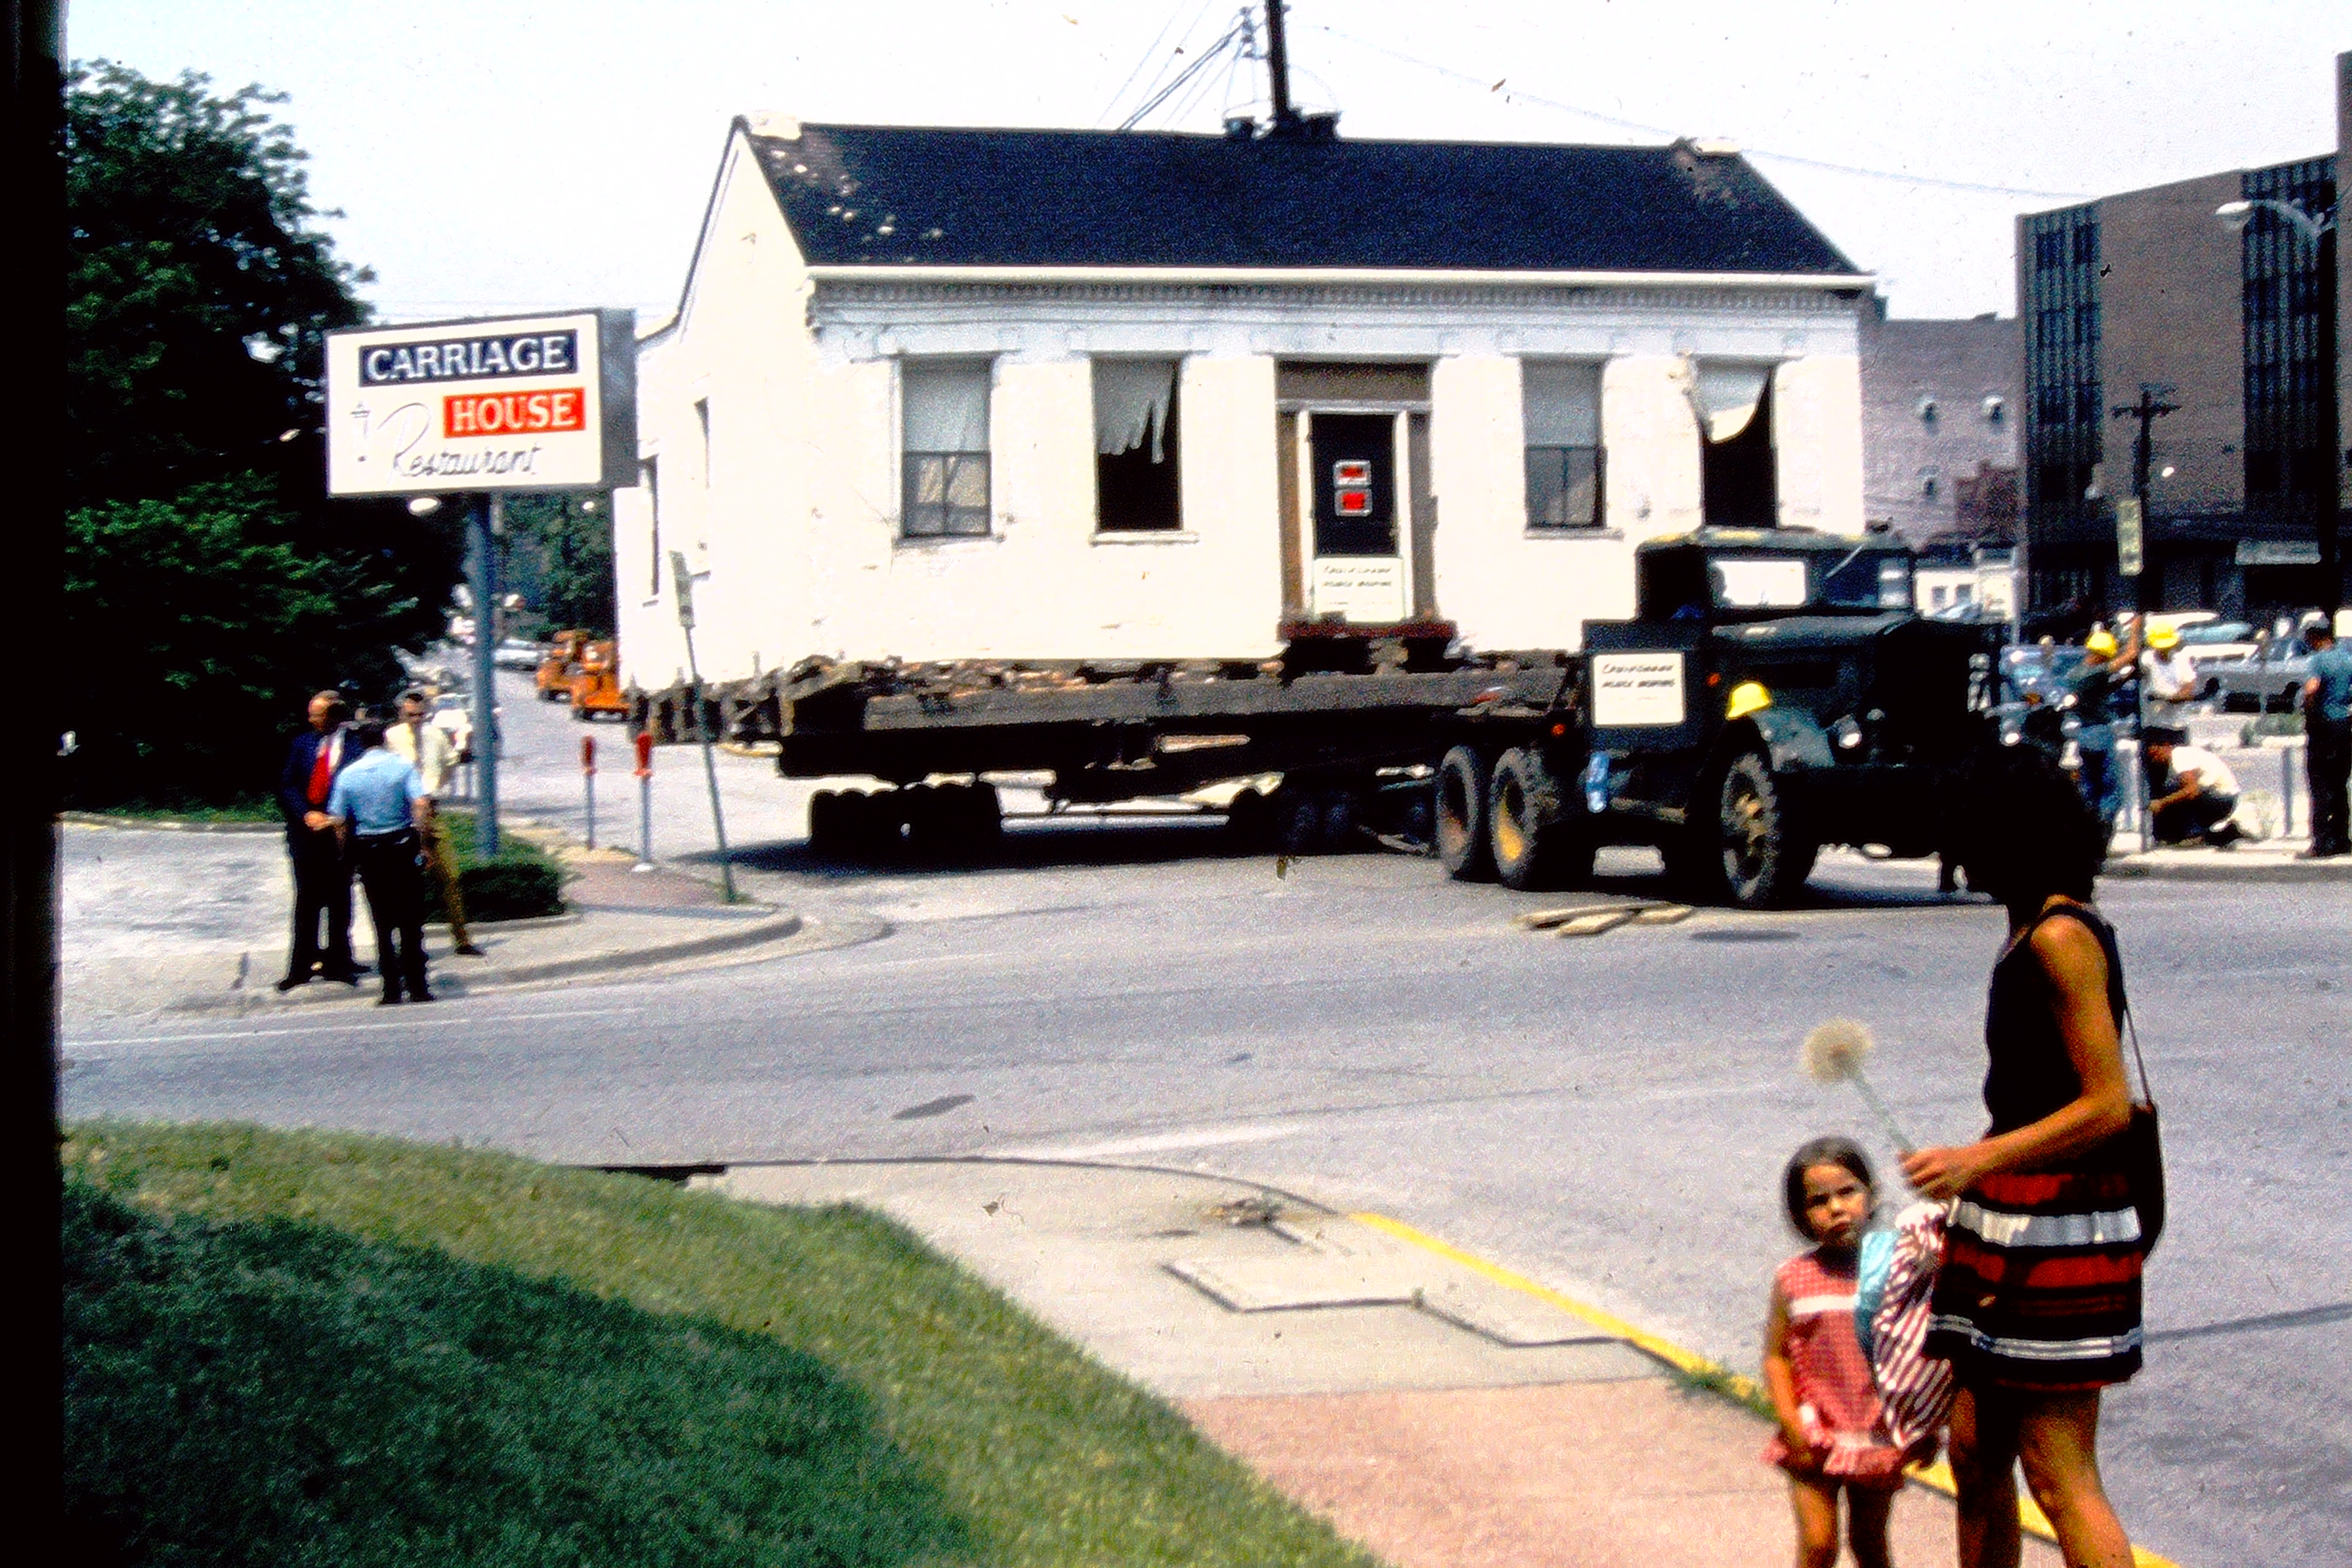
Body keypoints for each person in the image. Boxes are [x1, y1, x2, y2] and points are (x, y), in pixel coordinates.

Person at [1907, 744, 2142, 1568]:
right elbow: (2032, 1092)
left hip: (2059, 1227)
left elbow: (2105, 1103)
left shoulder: (2061, 935)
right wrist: (1970, 1171)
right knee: (1973, 1451)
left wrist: (1979, 1161)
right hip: (2007, 1218)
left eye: (1966, 831)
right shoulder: (2025, 928)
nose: (1957, 852)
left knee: (2057, 1470)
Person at [1762, 1136, 1907, 1568]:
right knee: (1819, 1544)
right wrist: (1790, 1422)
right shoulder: (1794, 1278)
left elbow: (1919, 1353)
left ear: (1872, 1194)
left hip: (1873, 1431)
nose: (1837, 1209)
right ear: (1802, 1216)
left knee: (1869, 1544)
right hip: (1814, 1431)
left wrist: (1919, 1426)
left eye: (1848, 1192)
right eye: (1819, 1201)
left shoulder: (1895, 1271)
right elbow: (1776, 1355)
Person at [326, 721, 434, 1005]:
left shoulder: (348, 775)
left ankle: (391, 989)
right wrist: (422, 839)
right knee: (411, 921)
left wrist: (345, 854)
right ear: (385, 741)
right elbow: (421, 803)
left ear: (361, 744)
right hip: (401, 845)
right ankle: (418, 986)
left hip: (370, 851)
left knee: (382, 922)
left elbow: (338, 821)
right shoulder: (402, 767)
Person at [275, 689, 362, 990]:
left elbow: (359, 790)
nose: (311, 719)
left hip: (339, 837)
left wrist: (336, 818)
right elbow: (287, 785)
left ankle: (339, 963)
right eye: (311, 713)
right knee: (307, 901)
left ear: (335, 717)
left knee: (340, 901)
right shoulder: (302, 744)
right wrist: (306, 815)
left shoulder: (355, 747)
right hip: (306, 836)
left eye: (318, 714)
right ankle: (301, 966)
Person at [386, 688, 483, 954]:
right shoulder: (391, 738)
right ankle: (400, 943)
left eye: (419, 714)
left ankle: (462, 939)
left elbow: (451, 763)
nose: (415, 720)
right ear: (402, 714)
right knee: (400, 883)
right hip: (403, 814)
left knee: (451, 876)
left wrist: (436, 788)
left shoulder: (435, 735)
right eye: (410, 715)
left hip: (432, 811)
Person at [2067, 626, 2133, 838]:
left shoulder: (2076, 673)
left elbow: (2100, 691)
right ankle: (2102, 829)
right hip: (2100, 733)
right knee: (2110, 788)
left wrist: (2127, 678)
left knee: (2090, 785)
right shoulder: (2093, 672)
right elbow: (2130, 655)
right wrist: (2137, 629)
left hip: (2084, 734)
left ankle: (2088, 827)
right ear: (2100, 656)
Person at [2141, 727, 2243, 848]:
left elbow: (2192, 791)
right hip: (2223, 797)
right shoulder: (2180, 756)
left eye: (2156, 755)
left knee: (2175, 792)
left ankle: (2193, 834)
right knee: (2171, 791)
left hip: (2221, 798)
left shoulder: (2179, 756)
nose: (2155, 760)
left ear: (2166, 746)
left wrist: (2162, 803)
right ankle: (2218, 834)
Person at [2300, 622, 2352, 859]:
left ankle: (2322, 843)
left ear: (2316, 639)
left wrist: (2310, 712)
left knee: (2320, 785)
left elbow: (2312, 689)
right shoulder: (2347, 659)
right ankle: (2342, 838)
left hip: (2324, 727)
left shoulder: (2318, 660)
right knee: (2340, 784)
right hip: (2344, 725)